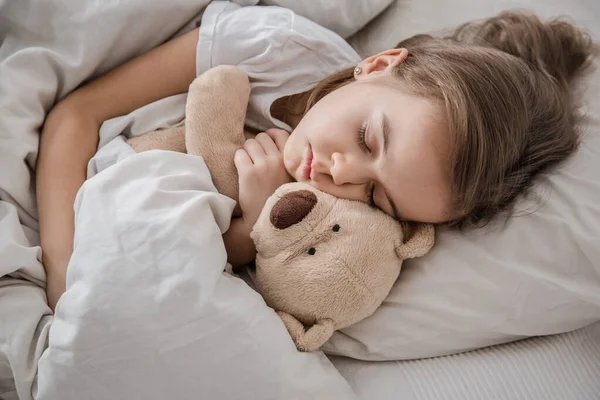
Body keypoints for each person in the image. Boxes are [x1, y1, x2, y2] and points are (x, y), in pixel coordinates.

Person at [36, 2, 595, 310]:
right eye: (369, 140)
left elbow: (212, 272)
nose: (343, 176)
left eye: (378, 195)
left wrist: (252, 226)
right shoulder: (271, 48)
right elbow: (75, 116)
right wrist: (63, 281)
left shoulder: (341, 222)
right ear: (377, 66)